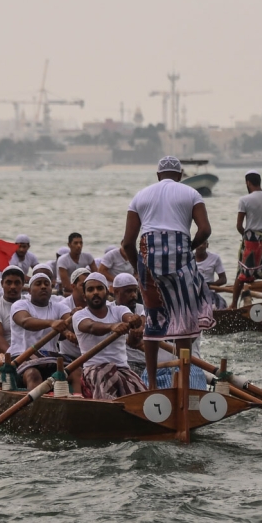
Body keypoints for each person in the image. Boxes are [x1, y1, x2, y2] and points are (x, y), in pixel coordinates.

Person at [121, 155, 214, 384]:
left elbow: (126, 243)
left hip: (148, 256)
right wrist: (188, 249)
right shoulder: (191, 193)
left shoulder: (140, 196)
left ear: (157, 176)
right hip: (180, 255)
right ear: (180, 176)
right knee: (183, 318)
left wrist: (139, 269)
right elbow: (205, 230)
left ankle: (152, 382)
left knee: (153, 319)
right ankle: (183, 380)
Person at [73, 272, 146, 400]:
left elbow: (128, 317)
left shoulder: (119, 310)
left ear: (107, 293)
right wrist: (112, 327)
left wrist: (135, 320)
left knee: (142, 396)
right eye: (90, 289)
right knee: (104, 380)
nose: (95, 292)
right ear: (84, 296)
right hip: (94, 370)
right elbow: (91, 326)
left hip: (123, 368)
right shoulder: (79, 316)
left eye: (100, 288)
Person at [9, 271, 78, 393]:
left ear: (51, 289)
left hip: (50, 358)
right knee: (33, 375)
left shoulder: (59, 307)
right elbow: (25, 322)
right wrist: (51, 323)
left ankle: (80, 401)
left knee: (76, 371)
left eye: (47, 284)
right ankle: (36, 408)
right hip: (22, 357)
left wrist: (74, 317)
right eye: (38, 284)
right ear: (29, 291)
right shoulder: (20, 305)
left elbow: (69, 321)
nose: (43, 286)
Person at [230, 170, 262, 309]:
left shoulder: (244, 200)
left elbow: (239, 225)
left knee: (242, 275)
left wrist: (245, 237)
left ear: (248, 183)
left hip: (252, 242)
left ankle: (233, 304)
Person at [0, 265, 25, 360]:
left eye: (17, 283)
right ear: (2, 284)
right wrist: (17, 358)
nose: (13, 287)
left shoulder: (29, 303)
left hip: (27, 354)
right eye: (9, 283)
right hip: (1, 355)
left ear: (23, 284)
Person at [195, 240, 228, 309]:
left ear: (207, 245)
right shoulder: (187, 259)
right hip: (193, 293)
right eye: (198, 244)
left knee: (219, 306)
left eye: (203, 243)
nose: (200, 246)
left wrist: (210, 285)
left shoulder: (215, 258)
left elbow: (223, 279)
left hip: (210, 293)